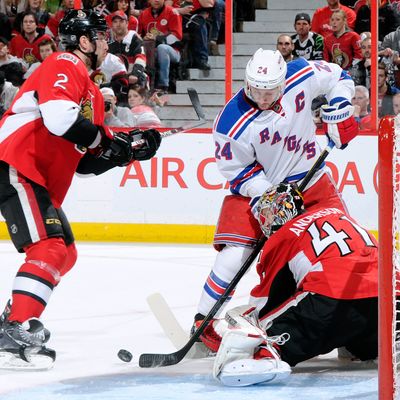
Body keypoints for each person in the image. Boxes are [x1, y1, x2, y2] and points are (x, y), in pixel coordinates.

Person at [0, 9, 161, 368]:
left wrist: (130, 151)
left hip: (33, 175)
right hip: (17, 164)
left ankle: (12, 317)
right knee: (51, 248)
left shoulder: (88, 90)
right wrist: (110, 140)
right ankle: (11, 332)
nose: (107, 41)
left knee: (65, 252)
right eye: (101, 35)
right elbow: (60, 120)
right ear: (85, 41)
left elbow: (85, 162)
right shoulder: (64, 61)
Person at [193, 48, 359, 327]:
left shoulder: (301, 74)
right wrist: (268, 194)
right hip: (264, 193)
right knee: (236, 252)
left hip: (313, 181)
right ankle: (204, 320)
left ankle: (351, 322)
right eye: (256, 90)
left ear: (283, 82)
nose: (263, 98)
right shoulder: (230, 121)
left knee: (343, 247)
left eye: (269, 91)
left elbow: (339, 77)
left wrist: (340, 106)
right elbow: (238, 171)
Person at [196, 183, 378, 386]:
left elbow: (265, 303)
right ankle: (357, 343)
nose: (265, 220)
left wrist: (239, 330)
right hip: (387, 301)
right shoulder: (338, 214)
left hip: (330, 300)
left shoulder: (285, 235)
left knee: (259, 327)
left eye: (267, 213)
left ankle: (264, 355)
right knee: (363, 339)